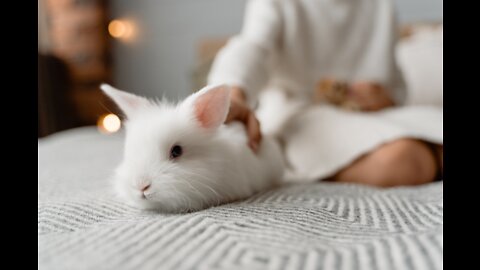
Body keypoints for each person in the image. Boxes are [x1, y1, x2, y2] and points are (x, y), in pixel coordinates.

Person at [208, 0, 443, 187]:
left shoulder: (380, 5)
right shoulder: (278, 3)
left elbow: (397, 86)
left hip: (370, 117)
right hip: (300, 118)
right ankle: (299, 169)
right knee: (406, 159)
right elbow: (251, 49)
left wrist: (384, 97)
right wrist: (235, 95)